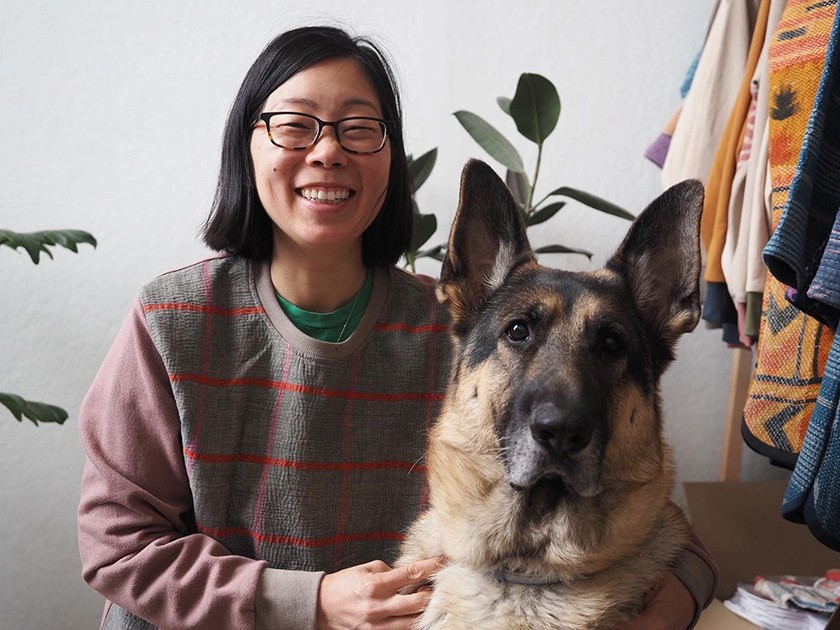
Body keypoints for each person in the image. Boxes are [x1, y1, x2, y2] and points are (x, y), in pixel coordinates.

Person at [77, 25, 718, 630]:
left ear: (391, 159)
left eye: (359, 129)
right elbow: (117, 544)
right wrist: (309, 602)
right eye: (294, 125)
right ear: (246, 145)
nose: (327, 151)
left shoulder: (466, 330)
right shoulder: (173, 320)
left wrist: (679, 595)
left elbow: (643, 508)